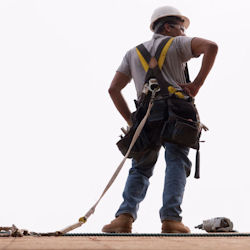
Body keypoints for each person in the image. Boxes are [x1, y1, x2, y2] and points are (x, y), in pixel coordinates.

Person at [102, 6, 218, 233]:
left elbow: (114, 89)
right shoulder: (177, 43)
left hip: (147, 115)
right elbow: (211, 47)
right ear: (168, 27)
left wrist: (132, 122)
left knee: (141, 166)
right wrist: (197, 84)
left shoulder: (133, 53)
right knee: (176, 161)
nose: (184, 34)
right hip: (177, 111)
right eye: (182, 29)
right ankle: (171, 220)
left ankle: (124, 218)